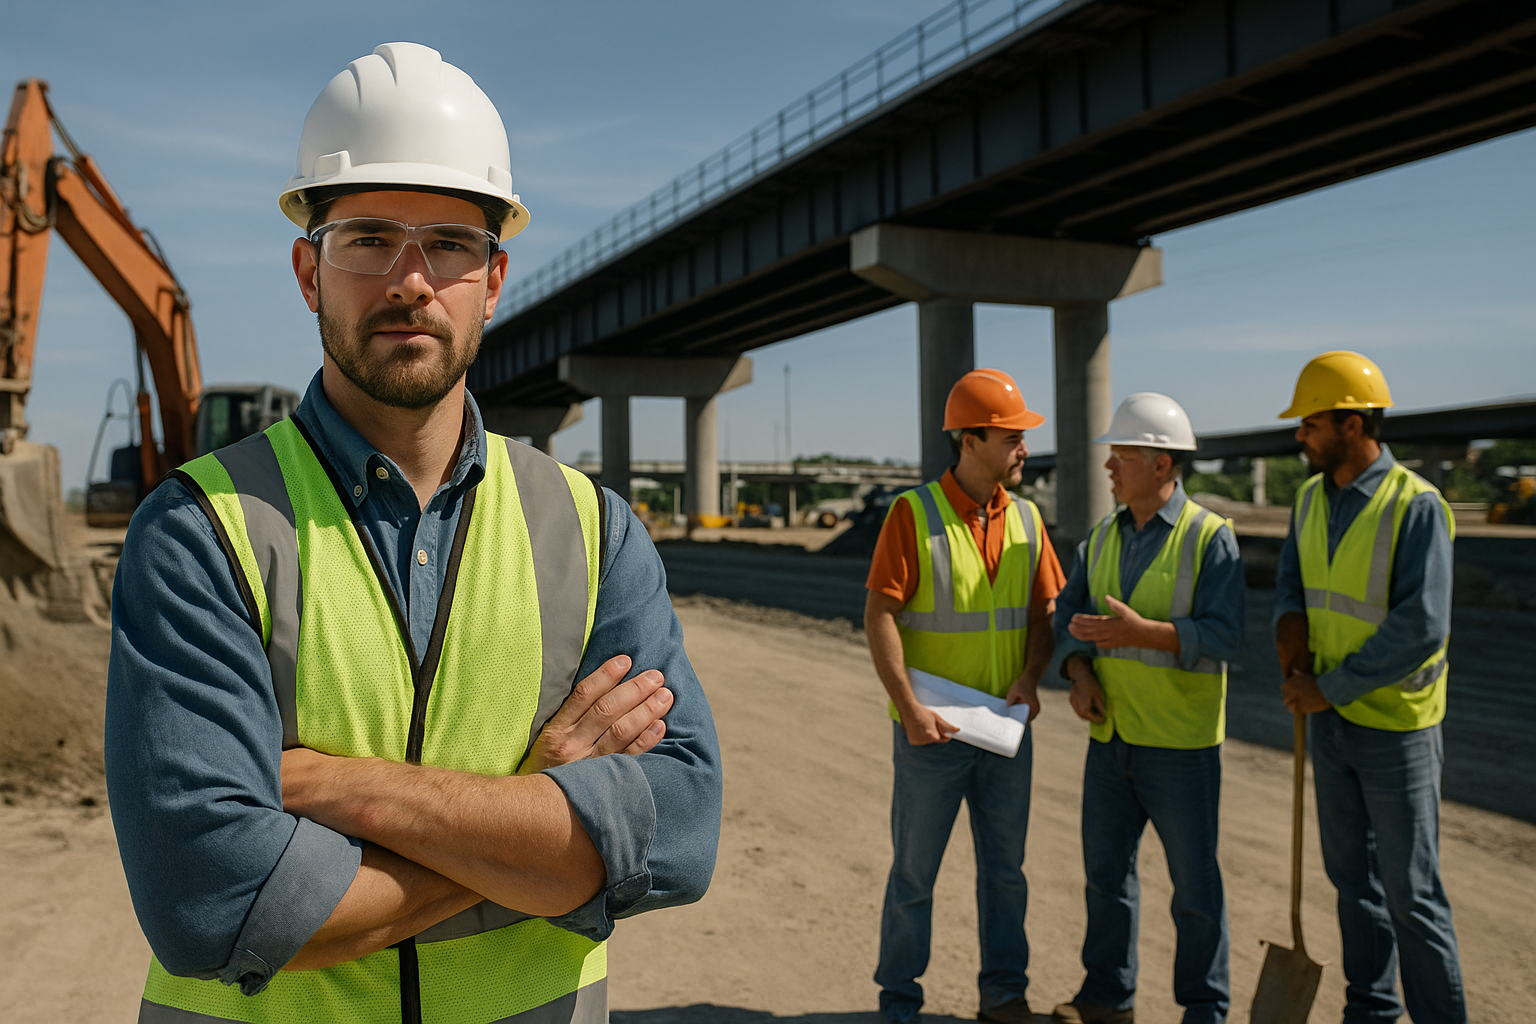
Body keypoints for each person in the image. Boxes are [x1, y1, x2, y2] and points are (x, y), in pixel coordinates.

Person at [105, 43, 722, 1024]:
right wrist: (540, 821)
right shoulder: (199, 533)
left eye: (449, 243)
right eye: (367, 239)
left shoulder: (593, 532)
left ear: (495, 277)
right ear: (308, 271)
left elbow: (678, 836)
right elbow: (211, 904)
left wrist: (354, 790)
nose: (410, 279)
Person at [864, 369, 1065, 1024]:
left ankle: (1004, 995)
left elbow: (1043, 615)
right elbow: (880, 615)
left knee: (1007, 873)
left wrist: (1032, 677)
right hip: (933, 733)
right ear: (970, 440)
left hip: (1004, 731)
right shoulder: (913, 514)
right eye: (1011, 438)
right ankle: (900, 1003)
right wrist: (908, 708)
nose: (1024, 449)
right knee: (914, 876)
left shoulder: (1028, 519)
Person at [1273, 351, 1466, 1024]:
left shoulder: (1417, 506)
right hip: (1329, 724)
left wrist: (1329, 687)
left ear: (1352, 425)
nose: (1300, 436)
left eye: (1310, 424)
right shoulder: (1307, 499)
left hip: (1397, 729)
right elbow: (1292, 584)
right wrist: (1289, 629)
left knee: (1412, 894)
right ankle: (1371, 1010)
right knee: (1352, 884)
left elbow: (1422, 626)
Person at [1051, 393, 1245, 1024]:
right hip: (1111, 738)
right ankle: (1107, 998)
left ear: (1162, 464)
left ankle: (1204, 1010)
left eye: (1123, 455)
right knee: (1106, 879)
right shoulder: (1101, 537)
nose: (1109, 466)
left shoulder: (1209, 538)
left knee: (1194, 890)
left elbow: (1226, 636)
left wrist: (1146, 634)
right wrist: (1078, 671)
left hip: (1181, 745)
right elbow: (1067, 617)